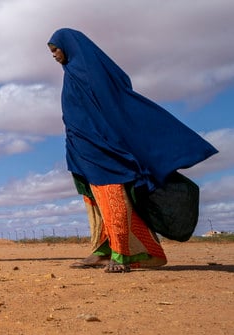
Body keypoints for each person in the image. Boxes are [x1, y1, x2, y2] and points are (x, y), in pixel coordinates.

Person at [47, 28, 218, 273]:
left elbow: (114, 103)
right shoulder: (71, 74)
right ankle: (105, 249)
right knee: (95, 198)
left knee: (111, 193)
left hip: (101, 146)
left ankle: (123, 254)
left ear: (69, 46)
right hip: (81, 146)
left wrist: (107, 138)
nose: (53, 55)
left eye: (55, 49)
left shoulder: (91, 72)